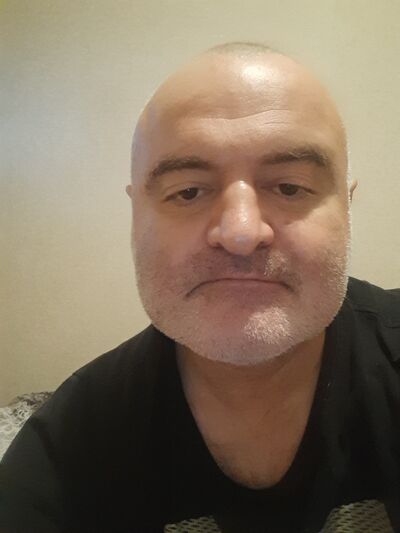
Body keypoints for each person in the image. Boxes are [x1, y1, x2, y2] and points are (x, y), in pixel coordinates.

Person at [0, 42, 399, 533]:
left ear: (346, 209)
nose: (240, 232)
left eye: (290, 186)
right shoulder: (67, 448)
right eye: (187, 191)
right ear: (137, 216)